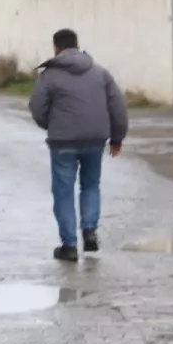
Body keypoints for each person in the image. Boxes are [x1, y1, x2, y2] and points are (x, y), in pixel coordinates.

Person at [28, 28, 129, 262]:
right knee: (91, 185)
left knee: (63, 192)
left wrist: (52, 126)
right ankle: (90, 231)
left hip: (63, 141)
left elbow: (37, 108)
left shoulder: (49, 76)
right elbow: (118, 107)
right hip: (95, 140)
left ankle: (69, 246)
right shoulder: (100, 73)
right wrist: (117, 138)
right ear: (77, 44)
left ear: (55, 47)